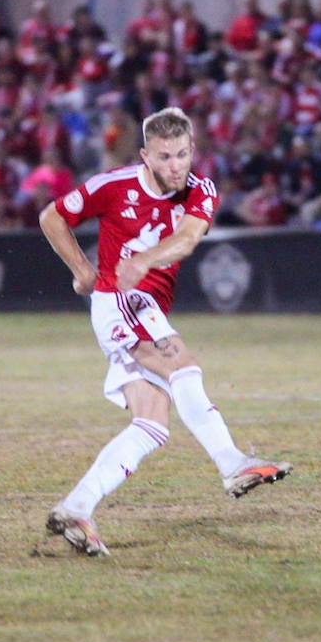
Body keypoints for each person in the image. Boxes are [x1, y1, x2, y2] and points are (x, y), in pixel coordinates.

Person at [38, 106, 291, 558]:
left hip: (145, 302)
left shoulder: (201, 190)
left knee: (151, 425)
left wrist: (145, 259)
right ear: (145, 156)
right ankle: (232, 463)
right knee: (183, 366)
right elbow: (51, 216)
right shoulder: (113, 186)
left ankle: (76, 507)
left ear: (192, 149)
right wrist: (82, 269)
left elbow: (190, 239)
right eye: (164, 157)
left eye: (181, 155)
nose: (175, 166)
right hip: (120, 300)